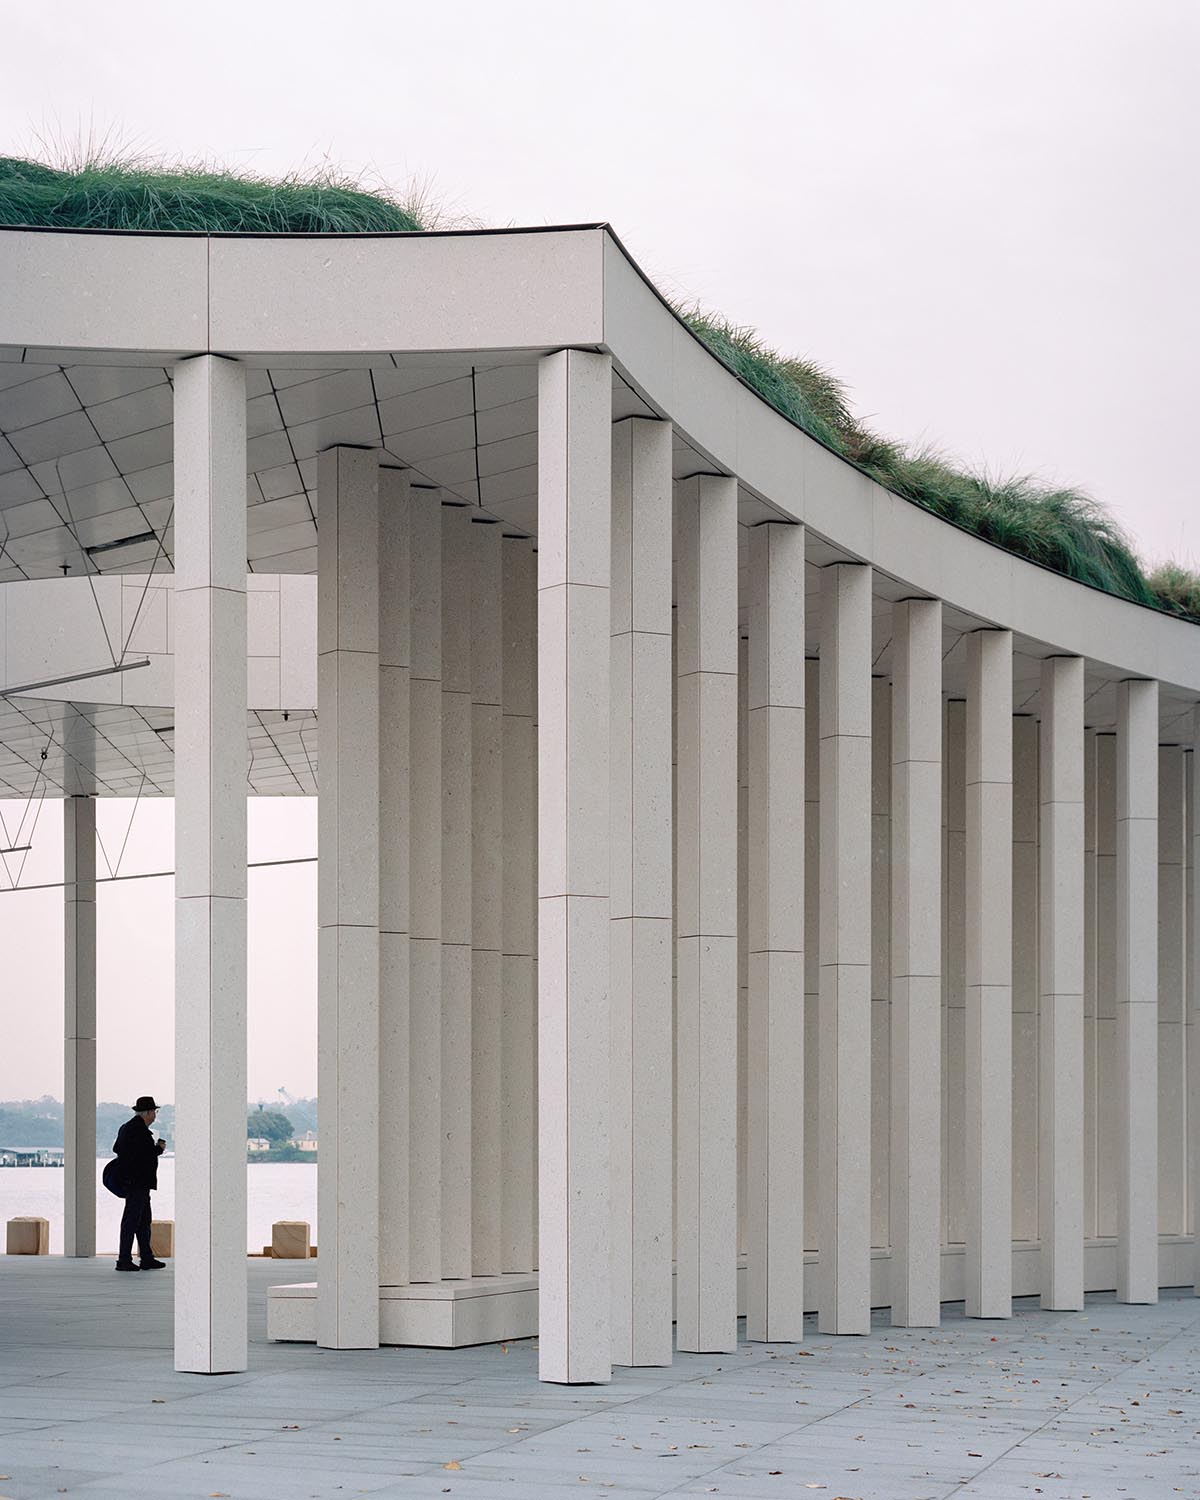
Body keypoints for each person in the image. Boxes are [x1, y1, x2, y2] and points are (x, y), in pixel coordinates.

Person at [113, 1095, 167, 1272]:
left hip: (136, 1182)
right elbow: (143, 1155)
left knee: (143, 1221)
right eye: (154, 1112)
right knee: (132, 1221)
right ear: (148, 1113)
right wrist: (158, 1149)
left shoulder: (127, 1128)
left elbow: (118, 1149)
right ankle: (124, 1259)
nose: (155, 1115)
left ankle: (147, 1257)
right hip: (137, 1183)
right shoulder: (139, 1131)